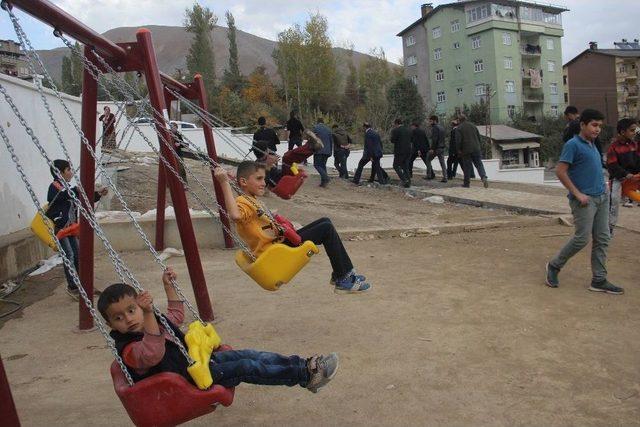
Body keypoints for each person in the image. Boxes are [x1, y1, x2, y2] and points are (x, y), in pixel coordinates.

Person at [97, 268, 339, 392]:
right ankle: (306, 378)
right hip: (189, 382)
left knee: (251, 355)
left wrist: (168, 287)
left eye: (131, 310)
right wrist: (147, 314)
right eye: (118, 317)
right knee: (247, 367)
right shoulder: (128, 349)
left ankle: (305, 365)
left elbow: (175, 317)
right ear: (110, 325)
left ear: (138, 306)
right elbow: (152, 354)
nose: (128, 319)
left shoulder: (151, 320)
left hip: (200, 362)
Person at [214, 161, 370, 293]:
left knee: (326, 222)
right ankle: (343, 278)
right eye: (259, 179)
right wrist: (224, 183)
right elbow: (235, 215)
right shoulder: (243, 203)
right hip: (274, 251)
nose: (264, 183)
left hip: (279, 243)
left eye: (264, 179)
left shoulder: (251, 198)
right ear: (244, 182)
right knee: (326, 229)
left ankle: (343, 274)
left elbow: (258, 212)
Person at [545, 109, 623, 295]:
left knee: (603, 238)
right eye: (594, 125)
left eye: (600, 126)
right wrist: (577, 193)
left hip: (601, 198)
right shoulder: (573, 145)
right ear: (583, 125)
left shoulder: (593, 144)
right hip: (584, 201)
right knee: (582, 238)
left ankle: (599, 279)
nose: (597, 129)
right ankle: (554, 266)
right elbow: (560, 171)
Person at [47, 159, 107, 299]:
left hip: (72, 227)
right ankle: (73, 287)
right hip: (61, 228)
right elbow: (60, 197)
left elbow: (81, 198)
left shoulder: (68, 187)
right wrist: (77, 188)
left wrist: (97, 194)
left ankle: (84, 284)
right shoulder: (55, 186)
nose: (71, 172)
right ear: (59, 173)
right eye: (68, 170)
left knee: (78, 254)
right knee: (69, 256)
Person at [252, 133, 324, 189]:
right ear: (264, 151)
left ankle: (310, 146)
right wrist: (269, 166)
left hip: (281, 176)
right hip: (281, 181)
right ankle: (311, 148)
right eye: (267, 149)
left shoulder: (264, 160)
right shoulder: (260, 164)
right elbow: (265, 180)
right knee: (287, 157)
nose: (269, 149)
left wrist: (273, 163)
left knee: (288, 156)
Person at [606, 118, 640, 235]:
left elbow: (638, 162)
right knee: (614, 201)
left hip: (634, 178)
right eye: (631, 130)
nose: (634, 132)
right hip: (619, 179)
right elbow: (612, 166)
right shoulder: (613, 147)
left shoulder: (635, 145)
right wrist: (626, 175)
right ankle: (609, 228)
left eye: (635, 130)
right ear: (622, 132)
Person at [455, 114, 488, 188]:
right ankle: (483, 177)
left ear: (459, 120)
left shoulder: (459, 128)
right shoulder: (473, 125)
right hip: (476, 148)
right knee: (479, 164)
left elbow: (458, 141)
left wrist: (459, 150)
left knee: (467, 167)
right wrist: (479, 146)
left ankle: (466, 183)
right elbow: (478, 137)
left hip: (466, 150)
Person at [390, 118, 413, 188]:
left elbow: (392, 140)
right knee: (405, 166)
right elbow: (411, 139)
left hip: (399, 151)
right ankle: (408, 181)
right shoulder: (408, 130)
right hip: (408, 151)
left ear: (396, 123)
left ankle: (404, 179)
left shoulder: (395, 130)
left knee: (395, 166)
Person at [312, 118, 333, 187]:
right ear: (323, 122)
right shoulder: (328, 129)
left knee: (317, 165)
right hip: (327, 151)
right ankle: (323, 183)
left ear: (317, 122)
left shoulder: (315, 128)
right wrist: (330, 151)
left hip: (319, 150)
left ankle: (326, 178)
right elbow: (331, 141)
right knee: (323, 166)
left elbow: (313, 139)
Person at [427, 115, 448, 183]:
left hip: (436, 148)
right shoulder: (442, 127)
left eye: (430, 121)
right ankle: (445, 177)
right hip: (442, 147)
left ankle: (429, 175)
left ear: (434, 121)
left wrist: (432, 148)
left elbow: (434, 139)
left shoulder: (435, 128)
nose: (429, 123)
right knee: (442, 163)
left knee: (428, 159)